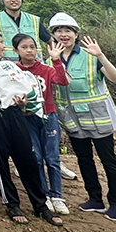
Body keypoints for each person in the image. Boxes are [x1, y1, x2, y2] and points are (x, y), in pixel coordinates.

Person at [0, 28, 63, 226]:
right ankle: (12, 203)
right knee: (1, 158)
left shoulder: (10, 65)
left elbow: (23, 85)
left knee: (27, 158)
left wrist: (24, 100)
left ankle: (40, 205)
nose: (3, 45)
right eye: (0, 41)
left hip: (16, 112)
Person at [49, 12, 116, 221]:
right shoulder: (51, 58)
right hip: (73, 122)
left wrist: (100, 55)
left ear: (75, 34)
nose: (63, 34)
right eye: (58, 30)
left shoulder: (90, 54)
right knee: (84, 160)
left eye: (67, 31)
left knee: (108, 160)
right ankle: (95, 199)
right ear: (54, 35)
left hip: (98, 119)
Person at [12, 32, 70, 215]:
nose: (29, 51)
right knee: (36, 157)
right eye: (24, 47)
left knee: (52, 157)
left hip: (48, 116)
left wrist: (56, 60)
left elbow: (62, 81)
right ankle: (44, 195)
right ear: (16, 50)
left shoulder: (45, 68)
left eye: (32, 47)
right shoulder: (14, 71)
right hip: (27, 118)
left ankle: (57, 196)